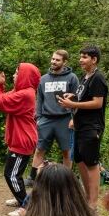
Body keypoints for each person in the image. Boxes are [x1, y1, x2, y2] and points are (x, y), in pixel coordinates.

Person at [0, 62, 41, 216]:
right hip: (19, 139)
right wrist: (0, 86)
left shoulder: (26, 94)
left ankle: (28, 206)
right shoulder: (22, 91)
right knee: (13, 174)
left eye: (17, 73)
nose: (13, 75)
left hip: (22, 140)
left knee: (11, 175)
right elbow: (3, 98)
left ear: (25, 76)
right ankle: (21, 199)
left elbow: (0, 102)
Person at [58, 45, 108, 208]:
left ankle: (93, 204)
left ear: (94, 60)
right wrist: (73, 96)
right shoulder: (85, 77)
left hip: (91, 127)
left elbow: (97, 102)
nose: (80, 60)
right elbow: (83, 96)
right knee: (80, 162)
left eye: (85, 57)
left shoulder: (98, 77)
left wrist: (72, 103)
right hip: (79, 126)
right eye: (80, 56)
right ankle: (87, 199)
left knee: (92, 164)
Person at [28, 50, 79, 184]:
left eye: (57, 60)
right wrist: (38, 118)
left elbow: (77, 99)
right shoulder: (44, 79)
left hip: (65, 119)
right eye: (53, 59)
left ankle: (66, 180)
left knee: (67, 152)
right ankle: (33, 178)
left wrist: (74, 118)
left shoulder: (72, 78)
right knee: (39, 149)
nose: (54, 62)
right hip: (46, 119)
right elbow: (39, 99)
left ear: (64, 62)